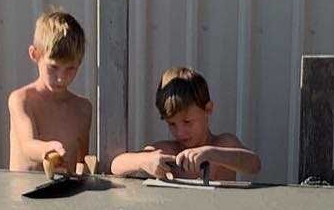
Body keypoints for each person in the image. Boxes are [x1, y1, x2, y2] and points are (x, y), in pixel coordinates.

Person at [109, 67, 261, 180]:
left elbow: (254, 164)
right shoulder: (168, 151)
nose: (180, 132)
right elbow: (116, 164)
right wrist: (144, 161)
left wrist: (212, 154)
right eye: (172, 124)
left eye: (187, 122)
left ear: (208, 109)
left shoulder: (224, 144)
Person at [8, 10, 92, 174]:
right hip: (24, 196)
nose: (61, 78)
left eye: (70, 69)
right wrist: (47, 150)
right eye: (53, 67)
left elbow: (83, 163)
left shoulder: (83, 109)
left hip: (66, 196)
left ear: (80, 63)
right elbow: (27, 145)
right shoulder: (22, 99)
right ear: (35, 54)